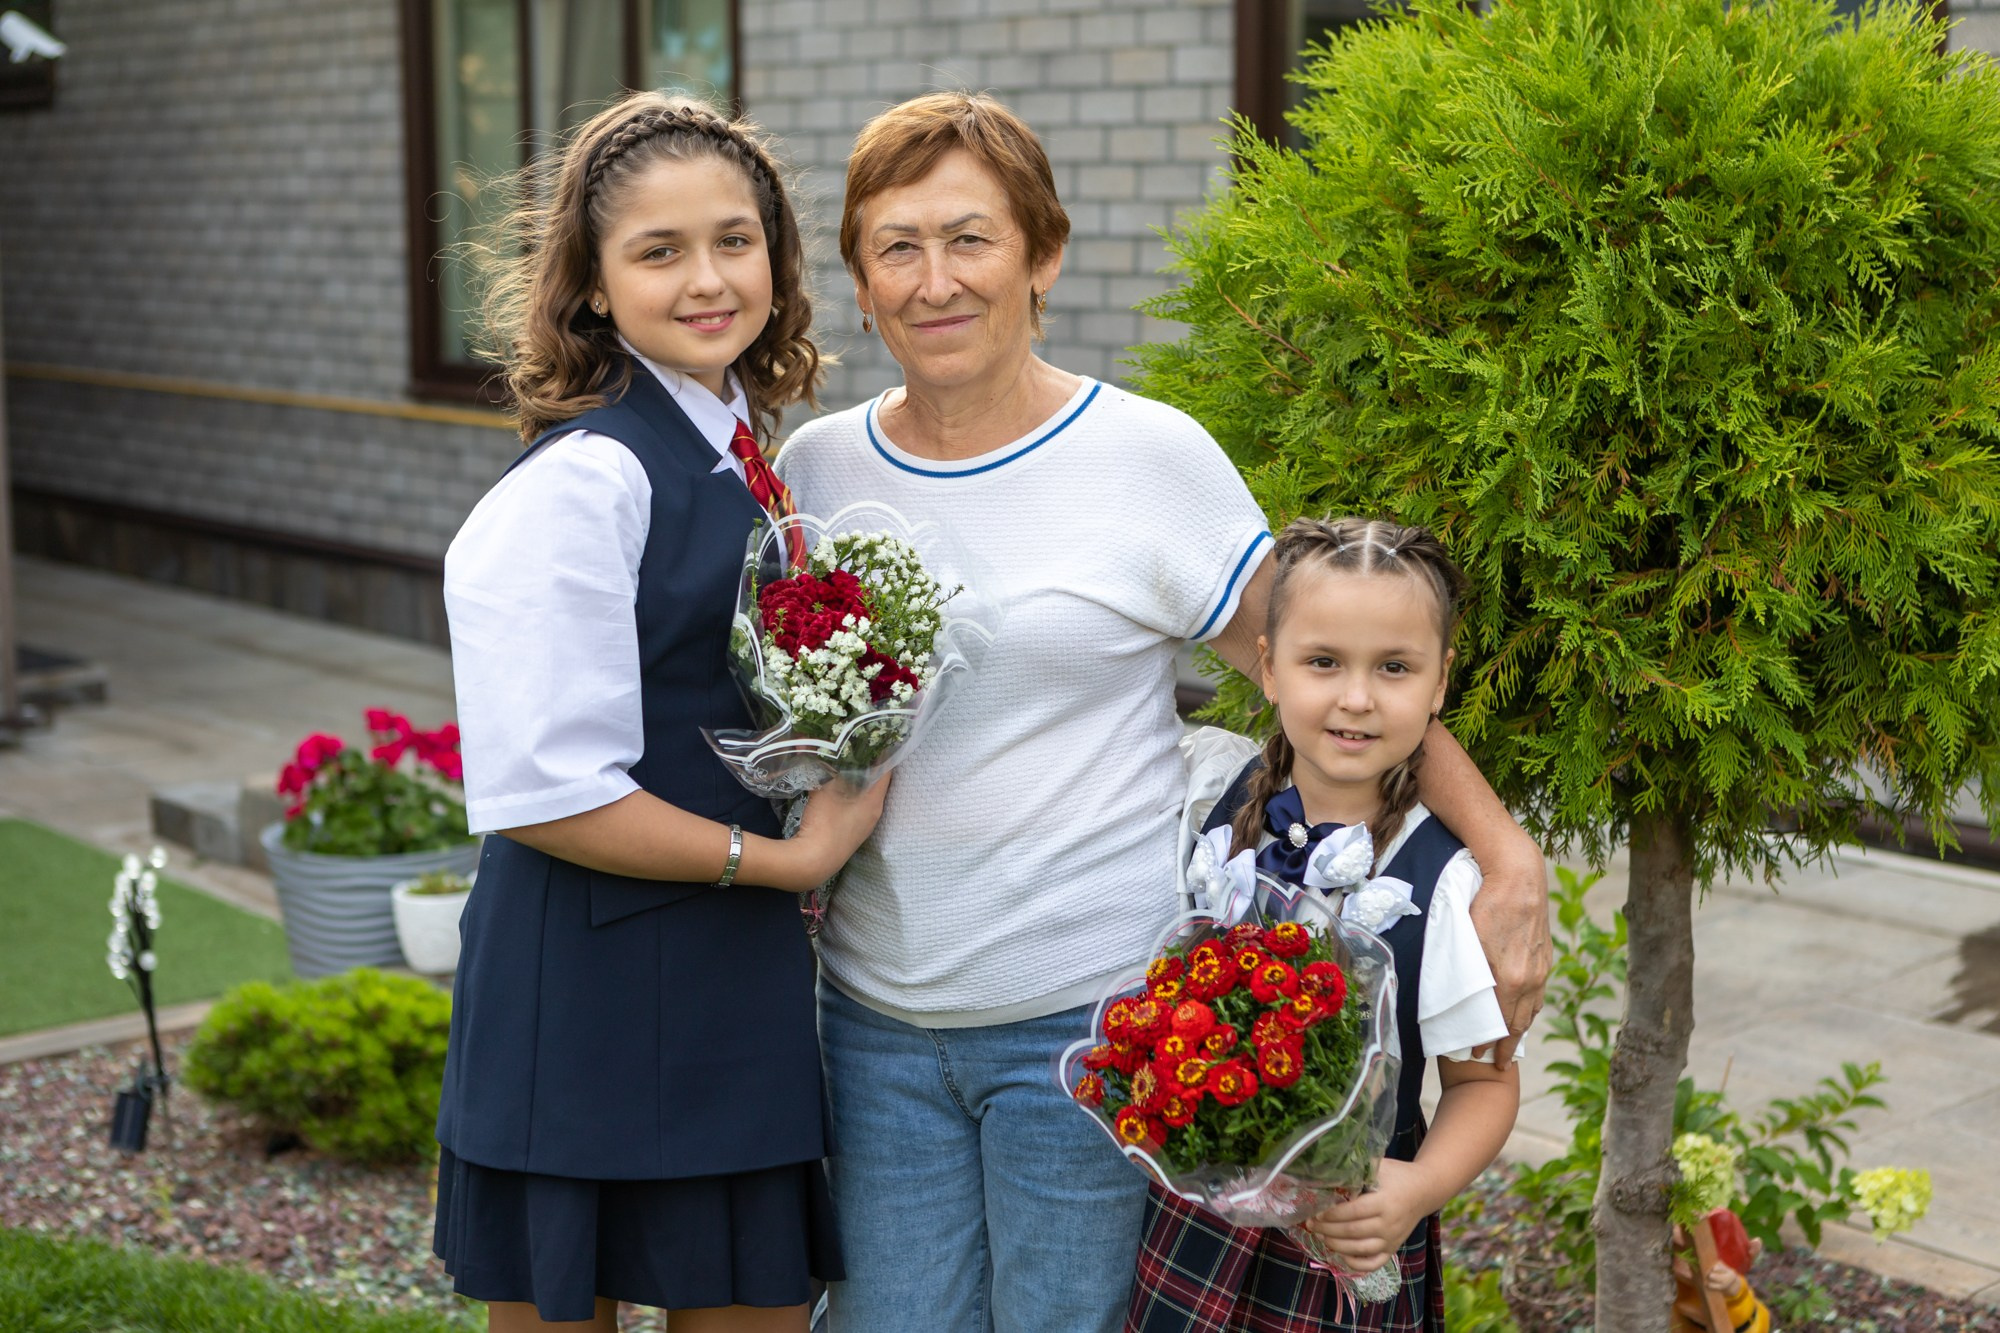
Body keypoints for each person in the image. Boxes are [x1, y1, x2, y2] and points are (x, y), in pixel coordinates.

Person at [774, 92, 1551, 1333]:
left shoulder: (1145, 457)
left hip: (1086, 1029)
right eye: (896, 246)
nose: (936, 280)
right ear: (859, 284)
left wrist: (1502, 852)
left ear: (1043, 255)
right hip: (870, 1021)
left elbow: (1318, 675)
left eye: (970, 238)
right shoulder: (817, 470)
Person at [431, 91, 885, 1333]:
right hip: (581, 979)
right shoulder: (586, 477)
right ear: (590, 284)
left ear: (777, 260)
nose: (707, 278)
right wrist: (786, 855)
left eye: (734, 241)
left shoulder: (741, 447)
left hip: (725, 971)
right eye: (659, 250)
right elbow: (546, 788)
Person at [1126, 517, 1520, 1331]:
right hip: (1201, 1210)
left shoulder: (1440, 881)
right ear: (1268, 668)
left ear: (1440, 684)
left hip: (1351, 1228)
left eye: (1395, 667)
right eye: (1323, 661)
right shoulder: (1222, 806)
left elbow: (1485, 1081)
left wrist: (1415, 1189)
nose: (1356, 697)